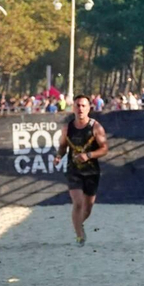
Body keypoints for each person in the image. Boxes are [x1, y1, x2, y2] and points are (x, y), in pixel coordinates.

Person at [57, 95, 109, 246]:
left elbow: (104, 149)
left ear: (89, 108)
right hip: (73, 170)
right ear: (73, 108)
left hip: (92, 171)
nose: (80, 109)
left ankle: (78, 225)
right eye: (77, 105)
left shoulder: (96, 127)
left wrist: (89, 155)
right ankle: (79, 235)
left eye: (83, 106)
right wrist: (58, 156)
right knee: (78, 203)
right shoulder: (68, 128)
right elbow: (62, 146)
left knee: (87, 208)